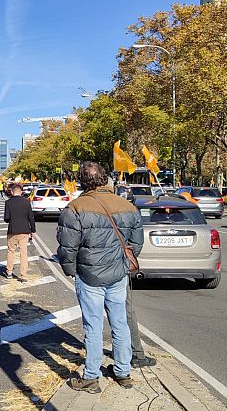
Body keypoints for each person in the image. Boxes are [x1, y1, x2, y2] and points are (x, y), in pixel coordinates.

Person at [56, 161, 144, 393]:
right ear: (104, 179)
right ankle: (123, 372)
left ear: (81, 181)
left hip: (89, 275)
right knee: (120, 323)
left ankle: (91, 376)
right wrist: (123, 264)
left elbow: (67, 247)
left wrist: (71, 270)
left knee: (93, 327)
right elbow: (136, 243)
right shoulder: (127, 206)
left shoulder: (75, 208)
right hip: (118, 275)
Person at [3, 183, 35, 281]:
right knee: (23, 253)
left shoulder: (8, 203)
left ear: (12, 192)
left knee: (11, 251)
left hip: (12, 231)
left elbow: (6, 218)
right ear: (21, 192)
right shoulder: (26, 202)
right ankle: (24, 275)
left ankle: (9, 272)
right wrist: (33, 230)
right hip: (24, 231)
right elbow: (31, 217)